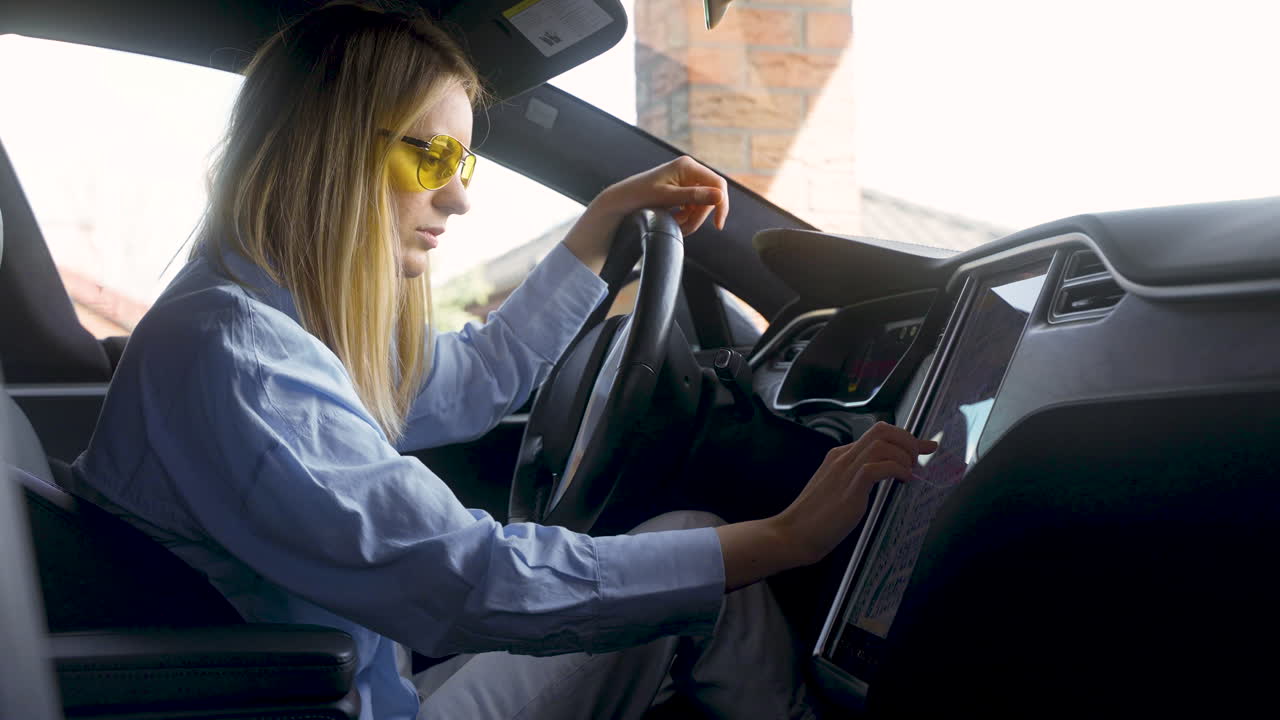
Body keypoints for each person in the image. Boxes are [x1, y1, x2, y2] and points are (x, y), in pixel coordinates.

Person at [68, 3, 936, 718]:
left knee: (695, 555)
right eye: (432, 154)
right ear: (328, 151)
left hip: (364, 691)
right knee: (712, 569)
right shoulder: (242, 359)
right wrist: (785, 538)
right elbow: (471, 581)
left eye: (466, 157)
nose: (460, 194)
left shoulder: (258, 325)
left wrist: (596, 229)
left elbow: (474, 381)